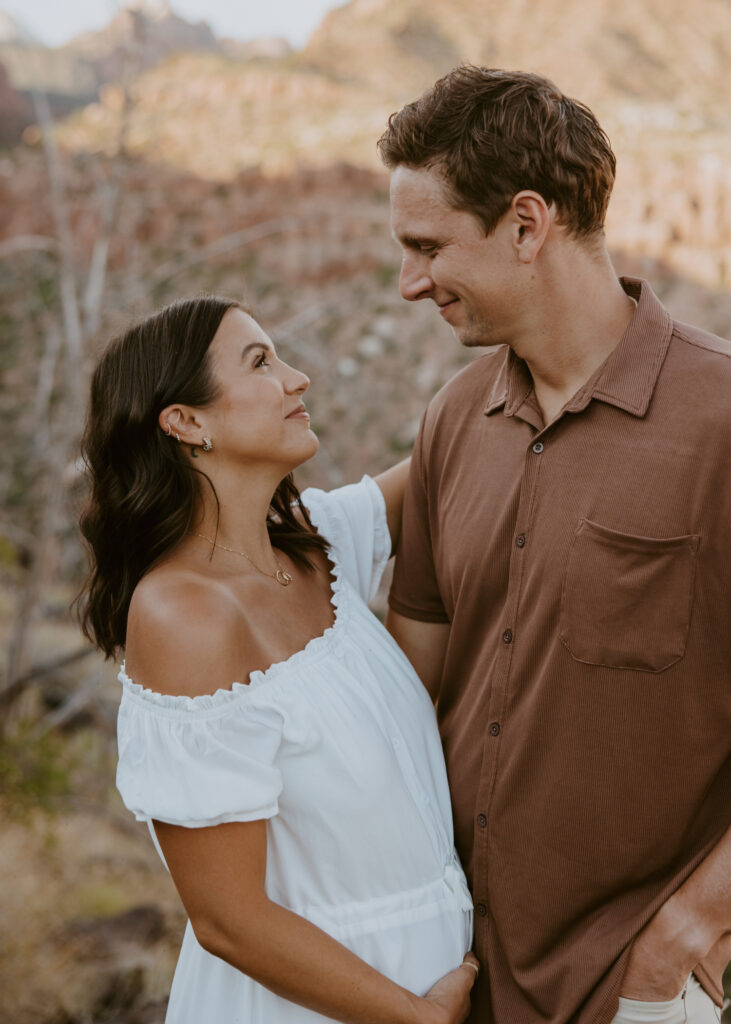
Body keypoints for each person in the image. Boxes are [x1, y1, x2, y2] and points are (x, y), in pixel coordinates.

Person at [378, 66, 731, 1024]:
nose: (410, 283)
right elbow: (407, 688)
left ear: (527, 224)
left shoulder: (722, 419)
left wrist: (693, 926)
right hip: (457, 977)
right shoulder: (452, 420)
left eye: (427, 247)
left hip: (637, 989)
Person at [77, 296, 479, 1024]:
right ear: (185, 422)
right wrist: (417, 1018)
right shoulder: (181, 615)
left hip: (424, 987)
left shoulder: (314, 544)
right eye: (261, 362)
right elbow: (229, 920)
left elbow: (450, 451)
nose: (298, 380)